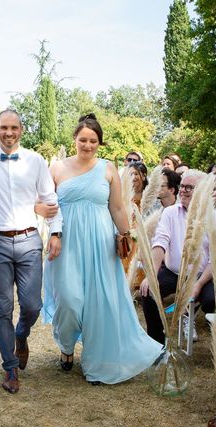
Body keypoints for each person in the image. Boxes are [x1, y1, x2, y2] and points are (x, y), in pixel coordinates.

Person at [43, 114, 162, 385]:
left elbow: (117, 207)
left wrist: (126, 235)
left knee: (100, 303)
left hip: (100, 242)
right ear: (74, 139)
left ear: (100, 142)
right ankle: (66, 345)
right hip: (67, 243)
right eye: (83, 139)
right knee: (70, 301)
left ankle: (98, 362)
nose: (87, 145)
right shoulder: (57, 169)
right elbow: (45, 207)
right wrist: (52, 231)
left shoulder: (108, 169)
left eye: (93, 141)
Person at [0, 110, 62, 394]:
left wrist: (55, 232)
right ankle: (9, 368)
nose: (9, 133)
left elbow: (50, 200)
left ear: (21, 129)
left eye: (14, 128)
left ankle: (22, 333)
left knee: (32, 305)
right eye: (3, 128)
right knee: (1, 308)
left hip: (30, 240)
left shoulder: (35, 161)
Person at [140, 170, 216, 344]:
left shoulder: (215, 218)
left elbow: (214, 259)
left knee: (212, 300)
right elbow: (160, 243)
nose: (183, 190)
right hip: (174, 273)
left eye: (189, 187)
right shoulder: (170, 213)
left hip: (203, 277)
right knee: (148, 291)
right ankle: (157, 342)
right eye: (182, 186)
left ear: (202, 191)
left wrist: (198, 285)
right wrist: (150, 275)